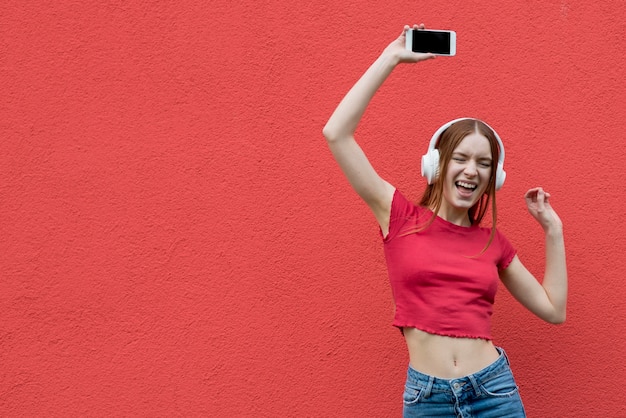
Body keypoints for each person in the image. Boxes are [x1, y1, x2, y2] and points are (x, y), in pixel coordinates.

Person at [322, 24, 567, 417]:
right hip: (426, 399)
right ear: (437, 165)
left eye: (484, 164)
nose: (472, 171)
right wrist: (391, 58)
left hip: (494, 393)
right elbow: (336, 133)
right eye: (462, 158)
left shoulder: (494, 243)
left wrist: (553, 231)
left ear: (493, 178)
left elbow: (554, 310)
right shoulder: (398, 216)